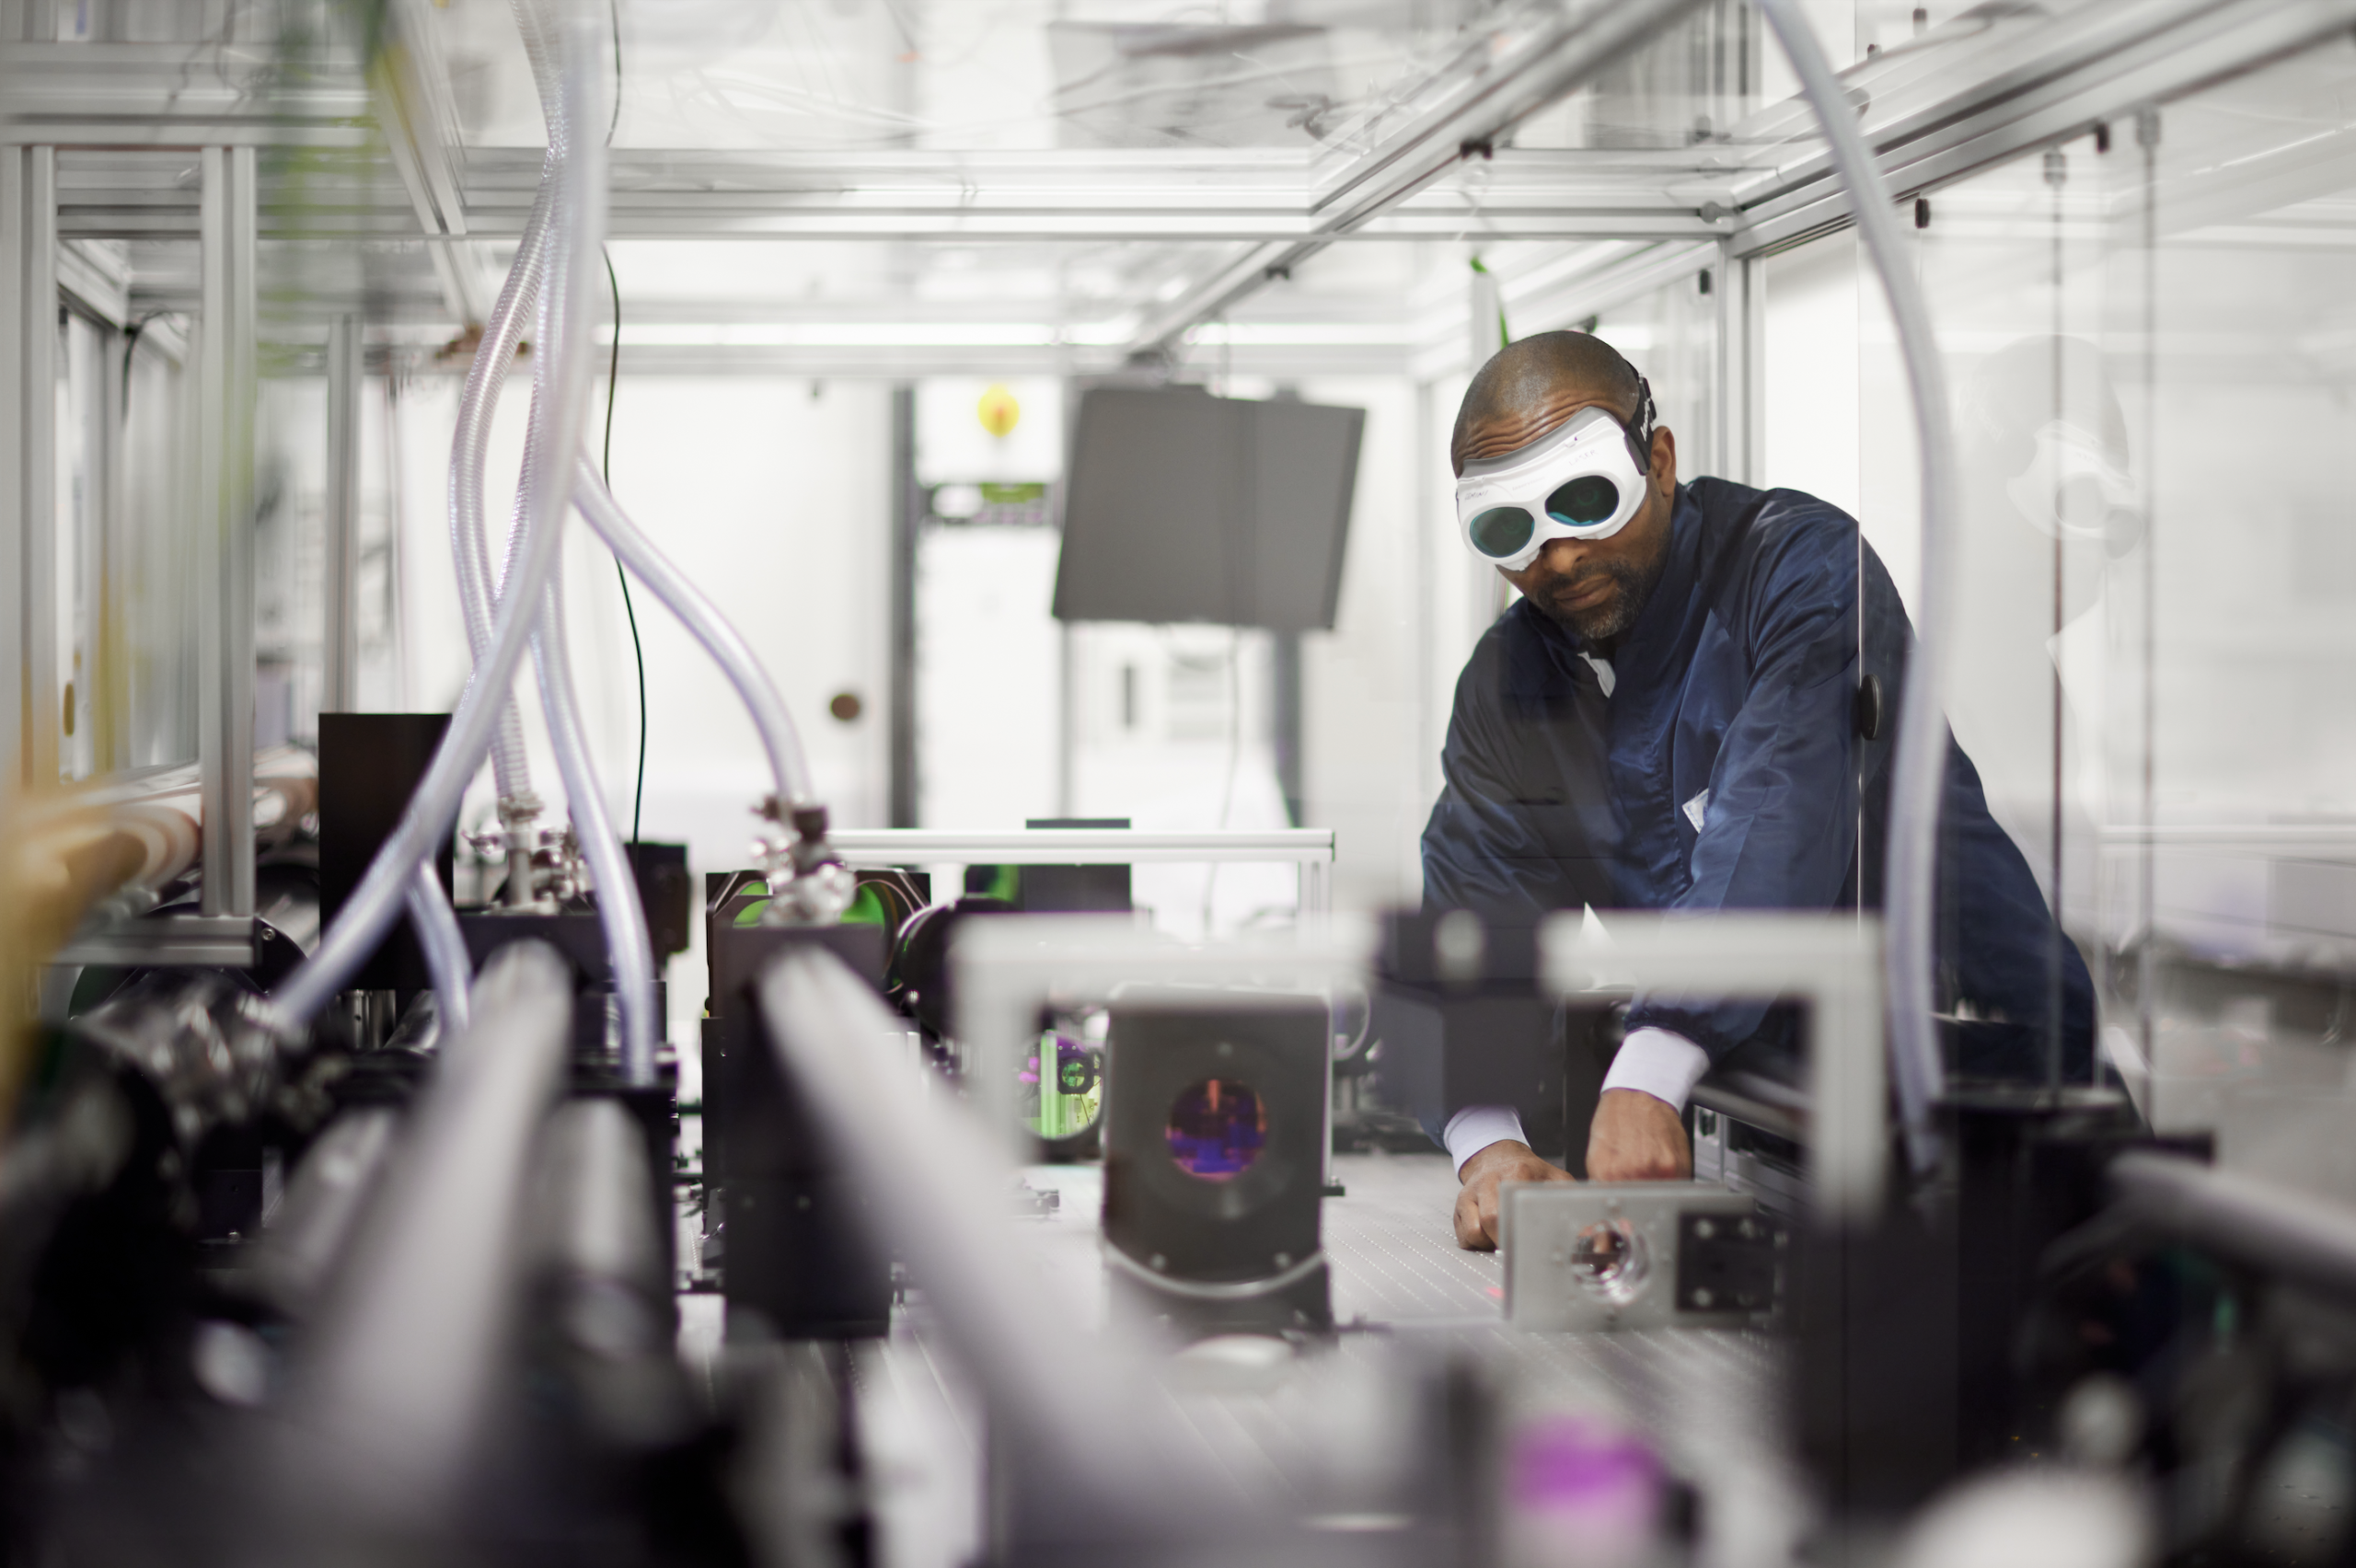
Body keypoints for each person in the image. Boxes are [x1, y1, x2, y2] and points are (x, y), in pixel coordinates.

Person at [1424, 330, 2093, 1250]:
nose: (1560, 558)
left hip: (1994, 1103)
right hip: (1773, 1129)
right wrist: (1487, 1145)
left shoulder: (1801, 574)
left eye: (1585, 501)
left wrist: (1648, 1070)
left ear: (1657, 461)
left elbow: (1775, 813)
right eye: (1510, 530)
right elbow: (1470, 926)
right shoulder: (1512, 681)